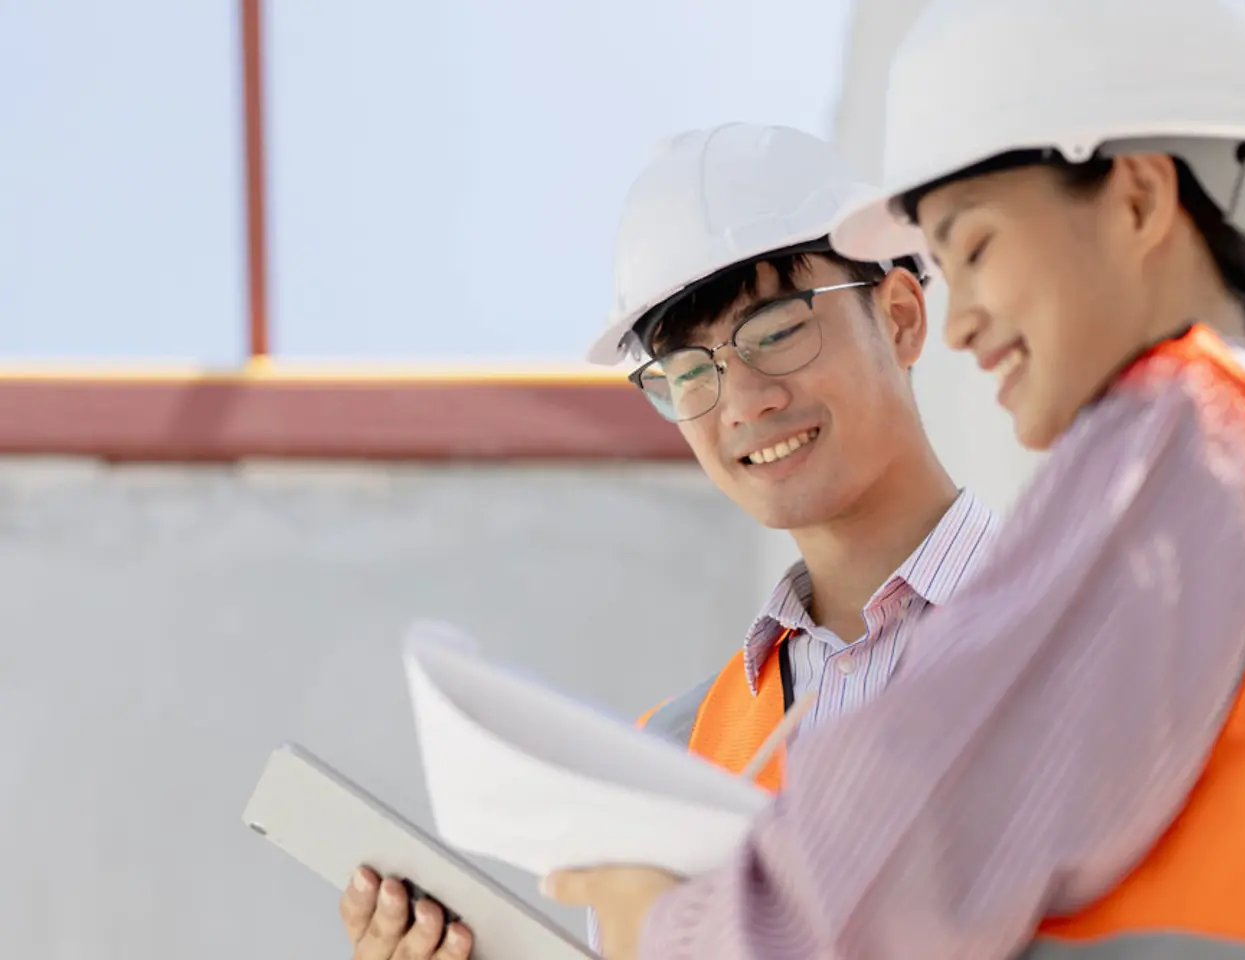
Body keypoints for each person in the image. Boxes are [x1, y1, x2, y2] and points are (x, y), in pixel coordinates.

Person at [540, 0, 1245, 957]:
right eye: (686, 373)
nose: (960, 319)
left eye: (970, 248)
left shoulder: (1188, 431)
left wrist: (664, 922)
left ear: (1136, 199)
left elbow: (888, 887)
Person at [335, 122, 999, 960]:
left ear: (900, 317)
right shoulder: (667, 754)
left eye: (777, 328)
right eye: (688, 370)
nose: (743, 400)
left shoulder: (1088, 617)